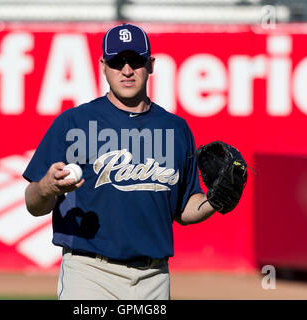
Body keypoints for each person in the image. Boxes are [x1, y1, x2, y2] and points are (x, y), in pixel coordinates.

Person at [23, 23, 216, 300]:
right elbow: (33, 203)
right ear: (103, 65)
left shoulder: (176, 129)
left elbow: (184, 209)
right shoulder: (74, 123)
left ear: (150, 64)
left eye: (136, 60)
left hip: (154, 276)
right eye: (117, 62)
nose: (127, 70)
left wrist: (215, 202)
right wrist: (46, 188)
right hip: (89, 272)